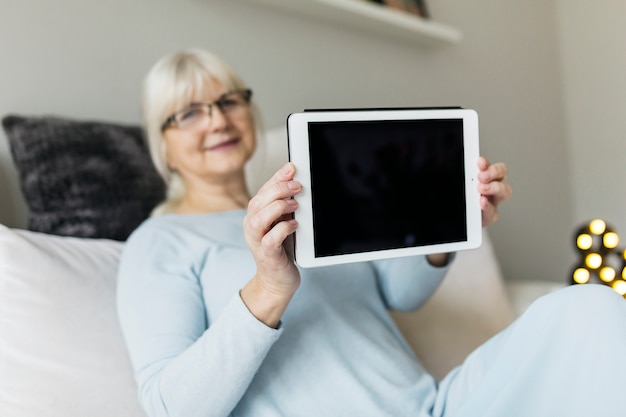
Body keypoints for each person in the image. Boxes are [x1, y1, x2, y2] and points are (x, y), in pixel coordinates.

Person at [116, 48, 626, 417]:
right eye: (188, 112)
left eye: (229, 101)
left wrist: (447, 226)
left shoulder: (313, 199)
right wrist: (268, 289)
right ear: (161, 142)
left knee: (590, 306)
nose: (217, 120)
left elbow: (400, 295)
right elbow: (169, 407)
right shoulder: (159, 242)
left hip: (436, 407)